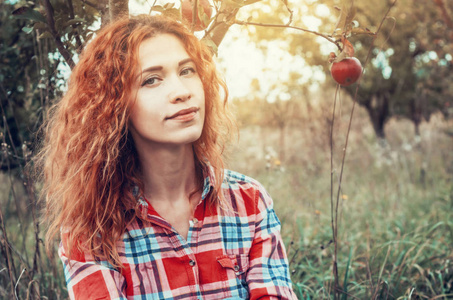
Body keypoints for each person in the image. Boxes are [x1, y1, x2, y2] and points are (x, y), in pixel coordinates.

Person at [40, 14, 297, 299]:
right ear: (114, 105)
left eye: (187, 71)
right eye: (151, 80)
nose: (182, 92)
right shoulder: (92, 227)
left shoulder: (249, 202)